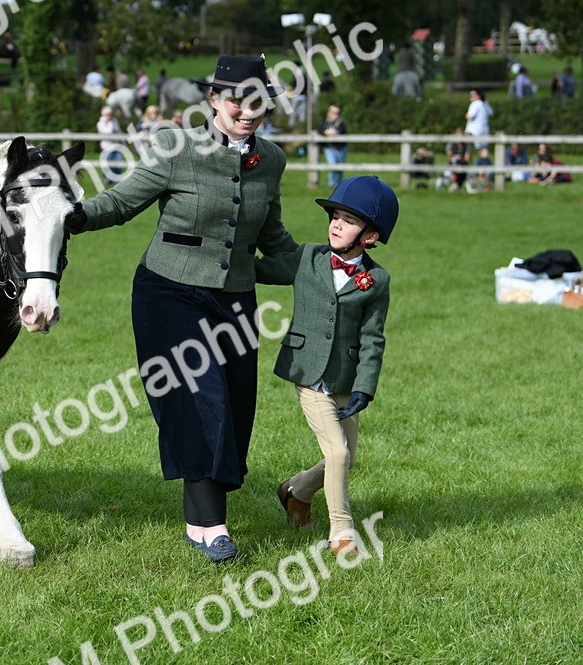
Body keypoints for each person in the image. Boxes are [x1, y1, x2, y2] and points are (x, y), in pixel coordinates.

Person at [65, 55, 298, 563]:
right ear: (213, 99)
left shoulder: (273, 160)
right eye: (237, 100)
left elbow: (273, 238)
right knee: (199, 400)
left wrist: (327, 266)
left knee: (234, 408)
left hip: (235, 300)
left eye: (258, 102)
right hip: (168, 293)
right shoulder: (176, 147)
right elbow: (121, 202)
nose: (248, 111)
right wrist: (70, 217)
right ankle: (214, 527)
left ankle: (199, 523)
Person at [258, 176, 398, 556]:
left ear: (370, 236)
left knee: (347, 459)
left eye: (349, 221)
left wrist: (365, 387)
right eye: (335, 216)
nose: (336, 224)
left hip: (345, 380)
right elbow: (259, 270)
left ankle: (295, 492)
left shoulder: (377, 280)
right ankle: (342, 533)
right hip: (308, 373)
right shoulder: (307, 258)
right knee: (337, 454)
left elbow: (373, 338)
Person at [96, 105, 124, 186]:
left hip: (116, 146)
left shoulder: (115, 121)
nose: (110, 116)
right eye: (108, 114)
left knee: (118, 164)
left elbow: (119, 132)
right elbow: (109, 132)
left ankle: (117, 180)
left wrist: (123, 143)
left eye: (110, 114)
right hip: (106, 147)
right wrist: (110, 122)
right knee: (107, 164)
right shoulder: (100, 123)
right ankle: (106, 180)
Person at [321, 105, 348, 188]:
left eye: (337, 113)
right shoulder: (325, 122)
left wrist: (334, 132)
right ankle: (331, 184)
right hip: (329, 148)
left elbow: (342, 131)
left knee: (340, 168)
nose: (335, 114)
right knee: (332, 165)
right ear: (329, 113)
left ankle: (339, 184)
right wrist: (326, 132)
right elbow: (320, 130)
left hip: (341, 149)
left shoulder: (341, 123)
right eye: (333, 112)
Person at [440, 127, 471, 192]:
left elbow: (467, 158)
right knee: (457, 165)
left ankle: (457, 185)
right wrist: (455, 157)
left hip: (463, 163)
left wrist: (461, 158)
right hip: (453, 162)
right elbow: (449, 157)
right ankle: (458, 185)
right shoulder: (451, 143)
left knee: (463, 166)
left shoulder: (466, 144)